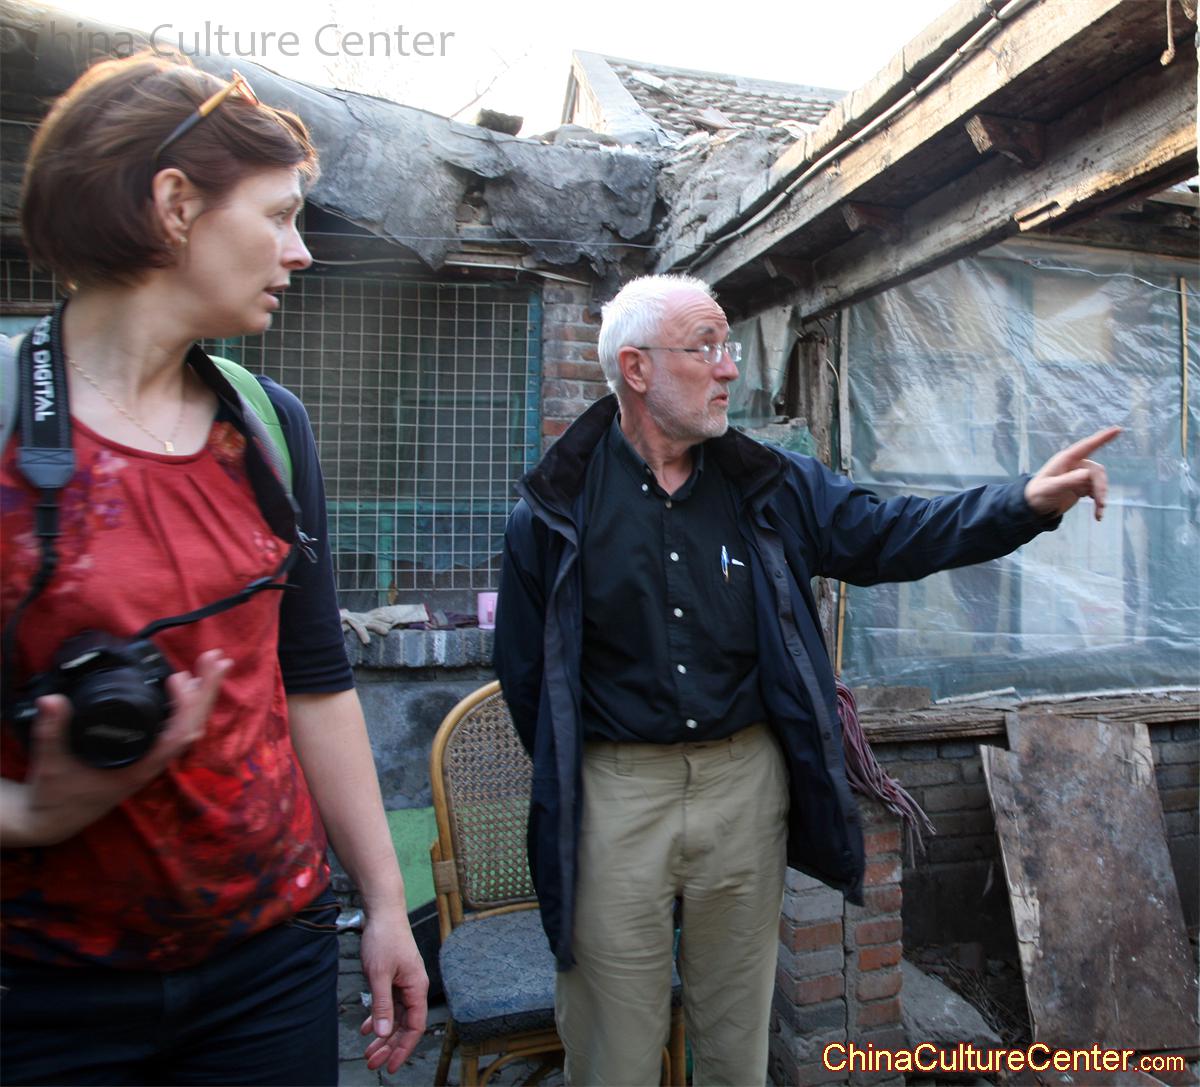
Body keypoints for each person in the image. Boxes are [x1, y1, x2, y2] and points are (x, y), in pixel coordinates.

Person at [494, 273, 1118, 1086]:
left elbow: (888, 532)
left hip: (743, 788)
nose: (729, 368)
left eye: (728, 346)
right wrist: (594, 770)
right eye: (706, 348)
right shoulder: (556, 508)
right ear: (637, 368)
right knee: (613, 1045)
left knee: (734, 1040)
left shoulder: (768, 485)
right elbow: (526, 677)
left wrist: (1023, 503)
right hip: (615, 795)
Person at [0, 53, 427, 1084]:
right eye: (279, 216)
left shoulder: (268, 428)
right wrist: (29, 815)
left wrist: (383, 901)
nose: (300, 252)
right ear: (175, 205)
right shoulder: (11, 424)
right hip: (39, 988)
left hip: (269, 969)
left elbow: (313, 677)